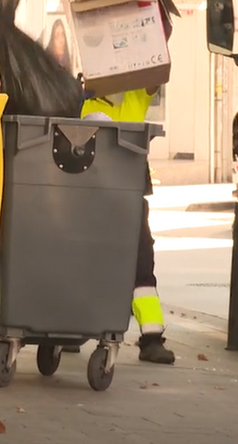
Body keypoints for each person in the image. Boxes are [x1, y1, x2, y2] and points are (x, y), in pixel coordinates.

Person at [77, 84, 176, 365]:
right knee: (83, 260)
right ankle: (70, 330)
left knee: (141, 263)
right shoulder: (79, 99)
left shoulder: (135, 93)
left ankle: (151, 337)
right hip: (90, 192)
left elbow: (156, 71)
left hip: (129, 192)